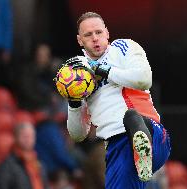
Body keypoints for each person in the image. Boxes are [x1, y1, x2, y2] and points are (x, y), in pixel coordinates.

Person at [64, 12, 171, 188]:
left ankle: (142, 145)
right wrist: (74, 102)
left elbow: (145, 78)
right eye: (88, 35)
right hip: (116, 147)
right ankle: (141, 157)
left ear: (107, 33)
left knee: (131, 117)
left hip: (152, 132)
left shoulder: (123, 47)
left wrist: (104, 71)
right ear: (79, 40)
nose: (95, 39)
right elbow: (78, 134)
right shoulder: (77, 73)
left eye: (98, 32)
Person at [0, 122, 49, 189]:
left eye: (31, 136)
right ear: (15, 137)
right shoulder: (7, 166)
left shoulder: (39, 162)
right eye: (25, 136)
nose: (28, 139)